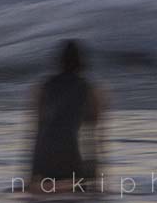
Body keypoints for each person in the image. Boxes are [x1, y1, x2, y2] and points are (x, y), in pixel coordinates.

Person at [30, 39, 106, 192]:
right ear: (82, 62)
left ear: (59, 62)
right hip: (71, 156)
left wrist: (32, 175)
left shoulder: (44, 86)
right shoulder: (88, 89)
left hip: (45, 158)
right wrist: (95, 178)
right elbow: (91, 137)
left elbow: (37, 132)